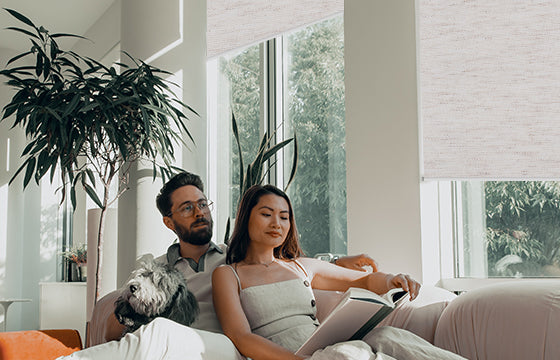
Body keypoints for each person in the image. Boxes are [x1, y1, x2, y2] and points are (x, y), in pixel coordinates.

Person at [60, 172, 378, 360]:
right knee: (158, 332)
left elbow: (284, 265)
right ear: (168, 221)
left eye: (203, 204)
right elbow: (113, 330)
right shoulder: (155, 271)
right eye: (187, 208)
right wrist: (139, 305)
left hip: (229, 347)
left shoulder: (233, 258)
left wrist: (336, 261)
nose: (200, 212)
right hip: (180, 347)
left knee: (161, 333)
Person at [212, 184, 466, 360]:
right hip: (288, 355)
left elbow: (365, 281)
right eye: (266, 214)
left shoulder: (301, 266)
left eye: (284, 217)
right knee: (347, 354)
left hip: (327, 348)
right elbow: (240, 336)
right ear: (246, 219)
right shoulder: (228, 274)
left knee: (385, 334)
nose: (277, 224)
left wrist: (392, 280)